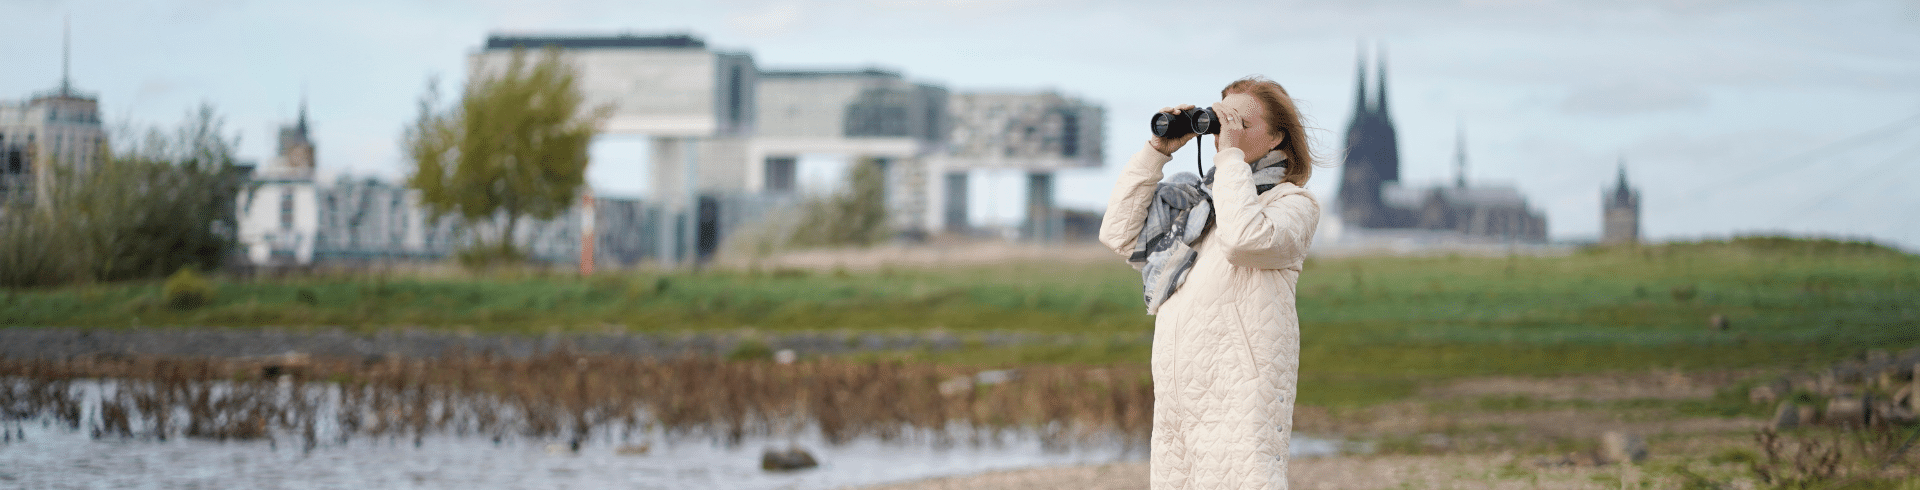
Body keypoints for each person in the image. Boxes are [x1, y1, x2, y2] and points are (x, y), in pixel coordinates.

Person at [1098, 76, 1320, 489]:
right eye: (1222, 122)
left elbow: (1243, 240)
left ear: (1276, 137)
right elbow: (1118, 235)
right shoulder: (1199, 205)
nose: (1226, 134)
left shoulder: (1292, 204)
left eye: (1242, 124)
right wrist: (1156, 152)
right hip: (1181, 395)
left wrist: (1230, 158)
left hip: (1240, 392)